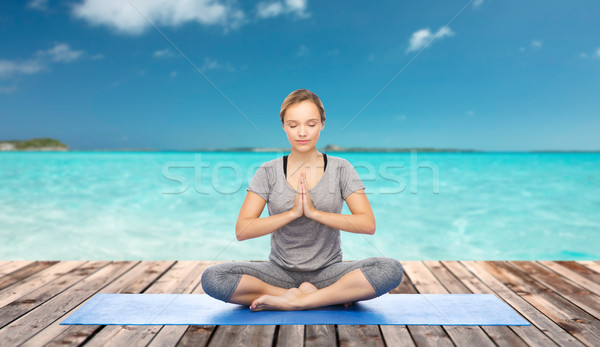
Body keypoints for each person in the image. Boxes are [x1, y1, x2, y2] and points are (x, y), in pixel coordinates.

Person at [201, 89, 403, 311]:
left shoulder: (341, 168)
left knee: (389, 269)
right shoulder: (268, 171)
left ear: (322, 124)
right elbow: (243, 230)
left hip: (329, 272)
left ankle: (298, 301)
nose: (302, 132)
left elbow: (368, 224)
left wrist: (315, 213)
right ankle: (312, 297)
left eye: (311, 124)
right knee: (214, 277)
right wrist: (293, 213)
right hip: (279, 273)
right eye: (293, 125)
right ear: (284, 127)